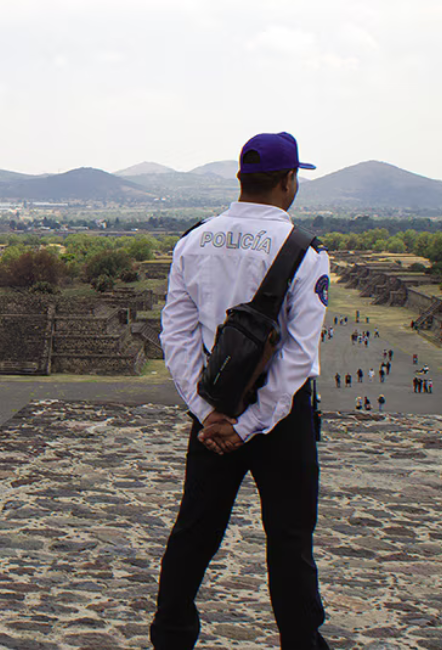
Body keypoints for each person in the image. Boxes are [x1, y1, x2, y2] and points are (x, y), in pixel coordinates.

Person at [153, 132, 330, 648]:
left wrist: (209, 412)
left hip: (212, 411)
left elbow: (178, 336)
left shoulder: (194, 241)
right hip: (279, 416)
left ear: (240, 178)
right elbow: (298, 354)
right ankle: (302, 642)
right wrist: (252, 424)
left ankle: (171, 636)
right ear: (287, 181)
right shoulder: (304, 251)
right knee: (291, 540)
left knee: (194, 532)